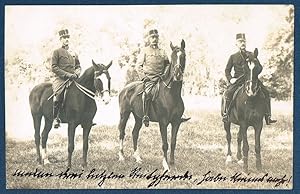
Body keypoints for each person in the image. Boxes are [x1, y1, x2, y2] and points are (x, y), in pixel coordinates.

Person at [222, 33, 277, 125]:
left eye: (244, 41)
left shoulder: (252, 55)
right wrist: (231, 79)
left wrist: (254, 72)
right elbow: (227, 70)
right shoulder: (233, 57)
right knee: (228, 93)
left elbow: (260, 67)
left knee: (266, 92)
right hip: (238, 81)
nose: (242, 43)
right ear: (236, 44)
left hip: (252, 80)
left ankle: (268, 116)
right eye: (240, 42)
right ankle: (226, 114)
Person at [136, 29, 170, 127]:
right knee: (147, 94)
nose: (154, 39)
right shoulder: (145, 51)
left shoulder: (162, 51)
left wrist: (165, 74)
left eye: (156, 37)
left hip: (161, 78)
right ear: (149, 39)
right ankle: (146, 116)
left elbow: (167, 64)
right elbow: (138, 66)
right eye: (152, 37)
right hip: (149, 79)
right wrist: (144, 77)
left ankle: (174, 114)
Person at [51, 29, 81, 128]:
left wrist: (77, 74)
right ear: (60, 39)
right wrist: (68, 75)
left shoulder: (74, 53)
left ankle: (84, 117)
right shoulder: (57, 52)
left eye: (68, 37)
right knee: (58, 95)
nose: (66, 39)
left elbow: (78, 66)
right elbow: (54, 67)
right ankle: (56, 118)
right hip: (60, 79)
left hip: (73, 79)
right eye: (64, 38)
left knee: (82, 92)